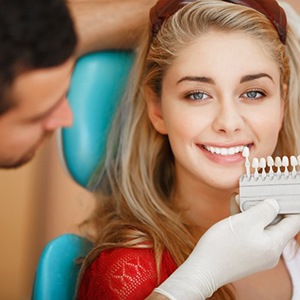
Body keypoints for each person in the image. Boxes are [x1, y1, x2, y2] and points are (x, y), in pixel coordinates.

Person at [77, 0, 300, 299]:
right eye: (197, 94)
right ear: (157, 109)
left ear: (282, 103)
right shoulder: (126, 271)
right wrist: (197, 280)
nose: (228, 122)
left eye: (253, 93)